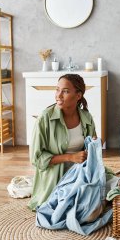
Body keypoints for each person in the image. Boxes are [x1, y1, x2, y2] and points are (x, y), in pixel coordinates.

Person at [28, 73, 96, 210]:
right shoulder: (44, 119)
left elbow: (92, 152)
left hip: (80, 174)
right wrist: (70, 157)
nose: (58, 95)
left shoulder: (86, 118)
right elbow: (36, 158)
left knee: (109, 189)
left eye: (65, 91)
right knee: (72, 207)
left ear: (78, 95)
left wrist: (94, 146)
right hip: (55, 178)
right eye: (57, 89)